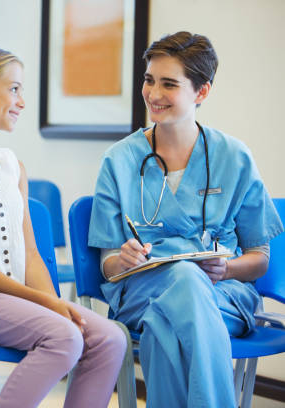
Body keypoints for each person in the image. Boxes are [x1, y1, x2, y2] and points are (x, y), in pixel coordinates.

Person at [0, 46, 127, 408]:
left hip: (7, 297)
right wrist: (47, 304)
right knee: (64, 338)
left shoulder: (13, 165)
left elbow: (30, 254)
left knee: (110, 338)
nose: (22, 102)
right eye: (14, 89)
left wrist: (58, 305)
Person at [88, 31, 284, 407]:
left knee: (169, 324)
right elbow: (109, 267)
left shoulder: (234, 157)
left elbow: (260, 258)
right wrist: (122, 260)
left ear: (202, 92)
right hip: (141, 292)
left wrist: (225, 269)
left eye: (169, 84)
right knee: (183, 281)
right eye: (149, 80)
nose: (153, 93)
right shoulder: (119, 161)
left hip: (223, 295)